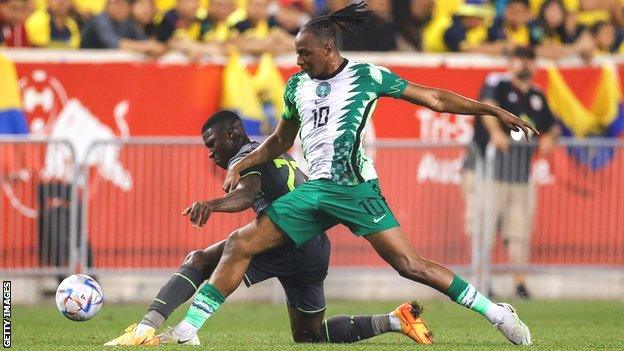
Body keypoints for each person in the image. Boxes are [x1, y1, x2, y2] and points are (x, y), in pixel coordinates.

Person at [160, 2, 537, 346]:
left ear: (328, 49)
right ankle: (188, 328)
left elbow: (434, 98)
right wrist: (241, 163)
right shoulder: (296, 88)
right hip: (316, 191)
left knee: (411, 265)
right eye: (296, 53)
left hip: (356, 190)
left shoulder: (367, 76)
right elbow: (279, 141)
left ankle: (498, 313)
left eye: (304, 53)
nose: (298, 61)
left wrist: (491, 110)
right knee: (240, 243)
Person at [105, 110, 434, 346]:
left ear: (232, 134)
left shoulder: (245, 156)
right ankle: (395, 320)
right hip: (313, 245)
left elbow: (246, 194)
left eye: (211, 143)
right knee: (310, 335)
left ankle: (151, 329)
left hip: (285, 237)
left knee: (201, 260)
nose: (210, 153)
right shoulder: (268, 150)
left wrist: (212, 204)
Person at [462, 46, 559, 299]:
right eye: (519, 59)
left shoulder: (538, 94)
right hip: (488, 170)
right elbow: (488, 107)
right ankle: (482, 280)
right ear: (510, 62)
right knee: (484, 227)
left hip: (519, 175)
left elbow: (553, 125)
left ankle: (519, 283)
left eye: (529, 59)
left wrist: (549, 137)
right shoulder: (498, 83)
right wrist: (495, 132)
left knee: (519, 231)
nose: (524, 64)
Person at [80, 0, 166, 56]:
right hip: (85, 68)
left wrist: (154, 47)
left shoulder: (127, 23)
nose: (121, 8)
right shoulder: (99, 20)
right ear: (108, 5)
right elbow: (114, 43)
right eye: (117, 3)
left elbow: (144, 41)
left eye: (125, 4)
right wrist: (148, 46)